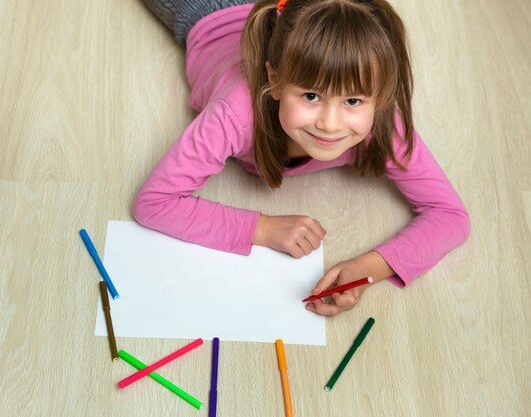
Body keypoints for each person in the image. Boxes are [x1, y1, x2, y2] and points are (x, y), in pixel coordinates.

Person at [133, 0, 470, 316]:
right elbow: (155, 203)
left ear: (381, 94)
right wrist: (262, 228)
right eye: (311, 95)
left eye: (353, 101)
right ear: (274, 79)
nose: (330, 123)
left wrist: (367, 269)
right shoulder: (235, 113)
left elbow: (451, 216)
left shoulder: (385, 124)